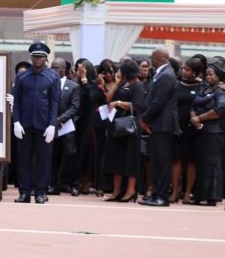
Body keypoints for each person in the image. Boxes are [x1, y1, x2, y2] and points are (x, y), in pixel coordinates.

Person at [12, 42, 59, 204]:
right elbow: (16, 102)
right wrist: (16, 122)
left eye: (41, 57)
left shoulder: (53, 77)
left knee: (43, 161)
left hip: (44, 126)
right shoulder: (22, 77)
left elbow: (54, 103)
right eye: (35, 57)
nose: (38, 59)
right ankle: (24, 193)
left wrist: (52, 124)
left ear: (46, 58)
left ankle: (41, 192)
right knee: (23, 160)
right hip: (24, 125)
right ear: (31, 58)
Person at [139, 48, 178, 207]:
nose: (150, 60)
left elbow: (158, 102)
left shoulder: (167, 75)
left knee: (163, 161)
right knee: (155, 161)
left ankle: (162, 195)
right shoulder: (161, 73)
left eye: (152, 58)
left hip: (163, 124)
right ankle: (155, 193)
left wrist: (144, 119)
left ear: (159, 58)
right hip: (157, 123)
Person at [102, 59, 145, 203]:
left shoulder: (138, 85)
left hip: (131, 126)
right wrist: (116, 82)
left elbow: (137, 106)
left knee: (130, 159)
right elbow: (109, 100)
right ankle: (116, 190)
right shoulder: (122, 84)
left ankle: (131, 190)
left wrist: (119, 103)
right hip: (117, 125)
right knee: (116, 158)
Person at [189, 62, 225, 205]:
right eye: (207, 74)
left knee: (212, 165)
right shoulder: (204, 88)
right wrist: (193, 118)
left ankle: (211, 197)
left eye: (212, 74)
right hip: (199, 131)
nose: (208, 76)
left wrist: (200, 118)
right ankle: (199, 195)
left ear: (218, 76)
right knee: (201, 165)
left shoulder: (220, 91)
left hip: (213, 133)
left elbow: (220, 110)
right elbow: (193, 105)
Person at [173, 58, 204, 204]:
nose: (184, 72)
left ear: (195, 73)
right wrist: (174, 126)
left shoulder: (202, 87)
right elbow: (171, 106)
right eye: (183, 69)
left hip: (194, 130)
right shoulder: (176, 85)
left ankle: (187, 193)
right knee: (176, 160)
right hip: (178, 129)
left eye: (187, 70)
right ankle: (174, 192)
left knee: (192, 161)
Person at [50, 57, 81, 196]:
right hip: (51, 126)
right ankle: (54, 185)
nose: (54, 70)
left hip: (67, 126)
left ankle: (73, 184)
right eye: (53, 67)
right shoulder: (48, 84)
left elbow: (75, 107)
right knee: (53, 156)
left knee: (70, 154)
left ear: (64, 69)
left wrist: (61, 118)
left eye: (57, 67)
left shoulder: (73, 86)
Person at [76, 60, 107, 196]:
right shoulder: (76, 84)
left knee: (89, 152)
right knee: (79, 152)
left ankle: (89, 181)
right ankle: (79, 180)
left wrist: (84, 80)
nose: (78, 73)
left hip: (91, 124)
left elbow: (92, 97)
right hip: (79, 122)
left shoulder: (95, 85)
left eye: (81, 70)